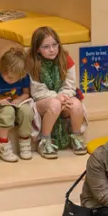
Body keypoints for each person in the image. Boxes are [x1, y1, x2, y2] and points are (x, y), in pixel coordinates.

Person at [26, 27, 86, 157]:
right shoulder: (32, 62)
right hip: (41, 101)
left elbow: (70, 84)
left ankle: (76, 136)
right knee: (54, 105)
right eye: (46, 47)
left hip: (63, 97)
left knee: (76, 105)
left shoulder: (65, 58)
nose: (52, 49)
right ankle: (44, 140)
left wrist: (64, 96)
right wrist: (57, 97)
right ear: (37, 49)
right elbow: (37, 91)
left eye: (54, 45)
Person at [0, 47, 36, 163]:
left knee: (27, 110)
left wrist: (19, 99)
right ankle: (2, 144)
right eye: (8, 77)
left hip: (16, 106)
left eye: (14, 79)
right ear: (3, 70)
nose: (10, 80)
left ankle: (24, 140)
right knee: (8, 110)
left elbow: (26, 93)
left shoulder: (23, 76)